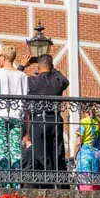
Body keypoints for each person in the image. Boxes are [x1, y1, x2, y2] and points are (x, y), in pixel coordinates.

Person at [27, 53, 70, 187]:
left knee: (40, 154)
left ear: (38, 67)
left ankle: (45, 185)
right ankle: (62, 186)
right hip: (55, 120)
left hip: (39, 120)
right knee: (58, 153)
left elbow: (17, 79)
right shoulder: (57, 81)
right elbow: (65, 81)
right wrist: (53, 69)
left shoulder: (32, 81)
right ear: (51, 66)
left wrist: (24, 64)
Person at [0, 44, 28, 184]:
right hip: (17, 116)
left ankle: (5, 183)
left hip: (0, 114)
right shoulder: (22, 76)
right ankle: (16, 184)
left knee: (2, 151)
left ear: (3, 58)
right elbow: (26, 98)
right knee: (16, 150)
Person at [73, 107, 100, 191]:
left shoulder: (83, 122)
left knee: (85, 182)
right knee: (96, 181)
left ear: (85, 111)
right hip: (96, 154)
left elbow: (78, 142)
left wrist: (75, 154)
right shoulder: (99, 122)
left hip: (85, 154)